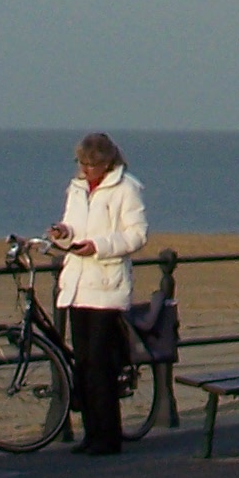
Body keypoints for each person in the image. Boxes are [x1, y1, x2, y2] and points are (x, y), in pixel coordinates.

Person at [48, 132, 148, 457]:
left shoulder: (126, 188)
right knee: (85, 361)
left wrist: (100, 246)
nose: (86, 170)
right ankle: (91, 433)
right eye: (82, 163)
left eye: (92, 165)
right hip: (78, 284)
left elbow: (137, 235)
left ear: (107, 163)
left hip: (106, 286)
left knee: (102, 364)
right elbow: (72, 224)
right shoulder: (76, 189)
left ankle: (109, 436)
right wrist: (64, 234)